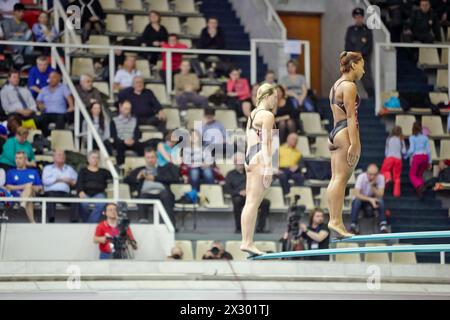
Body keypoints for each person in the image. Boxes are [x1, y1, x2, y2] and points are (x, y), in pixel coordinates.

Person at [327, 51, 364, 238]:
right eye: (363, 66)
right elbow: (351, 116)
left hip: (334, 132)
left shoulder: (335, 85)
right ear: (354, 65)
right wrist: (354, 143)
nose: (364, 71)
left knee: (336, 179)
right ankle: (335, 221)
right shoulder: (349, 86)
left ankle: (336, 221)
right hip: (344, 132)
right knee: (340, 179)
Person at [240, 83, 278, 257]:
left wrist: (248, 160)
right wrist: (269, 167)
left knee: (251, 202)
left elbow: (250, 137)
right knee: (253, 203)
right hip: (260, 157)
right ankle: (247, 242)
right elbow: (267, 143)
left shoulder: (253, 113)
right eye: (275, 96)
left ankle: (247, 241)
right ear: (267, 96)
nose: (276, 100)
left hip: (250, 156)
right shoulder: (267, 115)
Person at [124, 148, 177, 227]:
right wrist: (138, 177)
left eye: (152, 157)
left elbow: (174, 179)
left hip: (162, 193)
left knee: (166, 195)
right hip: (146, 194)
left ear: (156, 158)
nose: (150, 160)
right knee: (142, 196)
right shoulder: (140, 169)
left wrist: (155, 178)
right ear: (145, 158)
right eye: (148, 157)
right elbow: (126, 180)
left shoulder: (163, 169)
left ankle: (170, 225)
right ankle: (143, 223)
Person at [225, 153, 270, 233]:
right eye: (238, 161)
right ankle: (239, 228)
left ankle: (260, 228)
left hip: (251, 196)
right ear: (234, 162)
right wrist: (239, 192)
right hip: (239, 197)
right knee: (237, 201)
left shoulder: (251, 173)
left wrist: (250, 191)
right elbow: (228, 189)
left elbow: (259, 185)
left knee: (266, 203)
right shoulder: (230, 174)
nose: (240, 163)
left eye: (242, 161)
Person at [345, 7, 374, 98]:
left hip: (363, 59)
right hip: (352, 59)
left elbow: (369, 46)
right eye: (356, 17)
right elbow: (347, 45)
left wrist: (361, 54)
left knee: (367, 80)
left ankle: (372, 100)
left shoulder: (367, 30)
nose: (358, 19)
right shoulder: (350, 30)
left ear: (362, 17)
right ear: (354, 18)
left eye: (360, 17)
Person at [5, 151, 42, 223]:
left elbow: (40, 187)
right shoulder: (11, 172)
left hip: (32, 194)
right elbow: (8, 186)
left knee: (29, 189)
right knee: (29, 195)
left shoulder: (33, 171)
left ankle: (23, 204)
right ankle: (32, 221)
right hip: (17, 196)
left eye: (20, 158)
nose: (17, 160)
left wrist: (31, 187)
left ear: (25, 160)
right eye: (16, 158)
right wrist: (25, 186)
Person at [42, 150, 78, 223]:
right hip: (51, 192)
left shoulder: (69, 169)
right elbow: (45, 181)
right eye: (59, 155)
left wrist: (69, 181)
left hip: (65, 194)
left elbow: (77, 181)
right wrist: (60, 179)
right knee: (50, 197)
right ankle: (51, 221)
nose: (62, 157)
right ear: (53, 157)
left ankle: (74, 221)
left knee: (75, 199)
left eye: (63, 155)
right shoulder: (48, 168)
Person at [351, 164, 388, 234]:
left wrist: (372, 186)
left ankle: (383, 225)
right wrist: (370, 200)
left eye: (375, 174)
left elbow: (380, 195)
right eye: (370, 174)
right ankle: (353, 225)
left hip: (373, 201)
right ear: (366, 173)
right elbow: (356, 194)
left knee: (381, 200)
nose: (372, 176)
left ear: (378, 173)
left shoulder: (381, 177)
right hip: (362, 201)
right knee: (356, 201)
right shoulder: (361, 177)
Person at [76, 150, 112, 223]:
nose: (95, 159)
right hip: (85, 193)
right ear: (88, 159)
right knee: (83, 204)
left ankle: (88, 223)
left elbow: (113, 176)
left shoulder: (103, 171)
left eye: (97, 158)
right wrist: (80, 191)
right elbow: (79, 182)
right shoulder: (83, 170)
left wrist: (108, 164)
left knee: (101, 202)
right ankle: (90, 223)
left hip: (99, 194)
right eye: (93, 157)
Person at [36, 71, 75, 137]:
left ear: (59, 79)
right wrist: (40, 105)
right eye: (50, 77)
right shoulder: (44, 89)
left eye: (54, 77)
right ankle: (46, 136)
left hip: (60, 113)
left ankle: (56, 139)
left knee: (61, 119)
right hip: (47, 113)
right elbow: (38, 101)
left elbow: (70, 102)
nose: (51, 79)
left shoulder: (63, 88)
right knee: (40, 119)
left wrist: (69, 109)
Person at [110, 100, 142, 166]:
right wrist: (124, 141)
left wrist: (133, 140)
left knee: (141, 145)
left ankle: (141, 165)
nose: (128, 111)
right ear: (120, 108)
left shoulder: (135, 120)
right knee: (119, 144)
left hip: (132, 141)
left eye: (129, 109)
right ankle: (121, 165)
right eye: (126, 109)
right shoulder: (114, 121)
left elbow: (137, 134)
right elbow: (113, 136)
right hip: (120, 142)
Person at [407, 121, 432, 198]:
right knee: (419, 175)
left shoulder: (412, 137)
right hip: (425, 157)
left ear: (413, 128)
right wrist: (430, 162)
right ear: (421, 128)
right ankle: (420, 192)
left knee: (412, 175)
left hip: (417, 157)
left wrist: (405, 155)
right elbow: (428, 151)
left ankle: (420, 186)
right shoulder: (425, 137)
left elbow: (411, 150)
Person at [380, 126, 406, 197]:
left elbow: (386, 152)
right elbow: (404, 151)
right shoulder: (401, 140)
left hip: (389, 157)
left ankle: (388, 178)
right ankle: (396, 193)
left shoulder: (389, 139)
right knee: (397, 176)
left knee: (385, 170)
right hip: (398, 159)